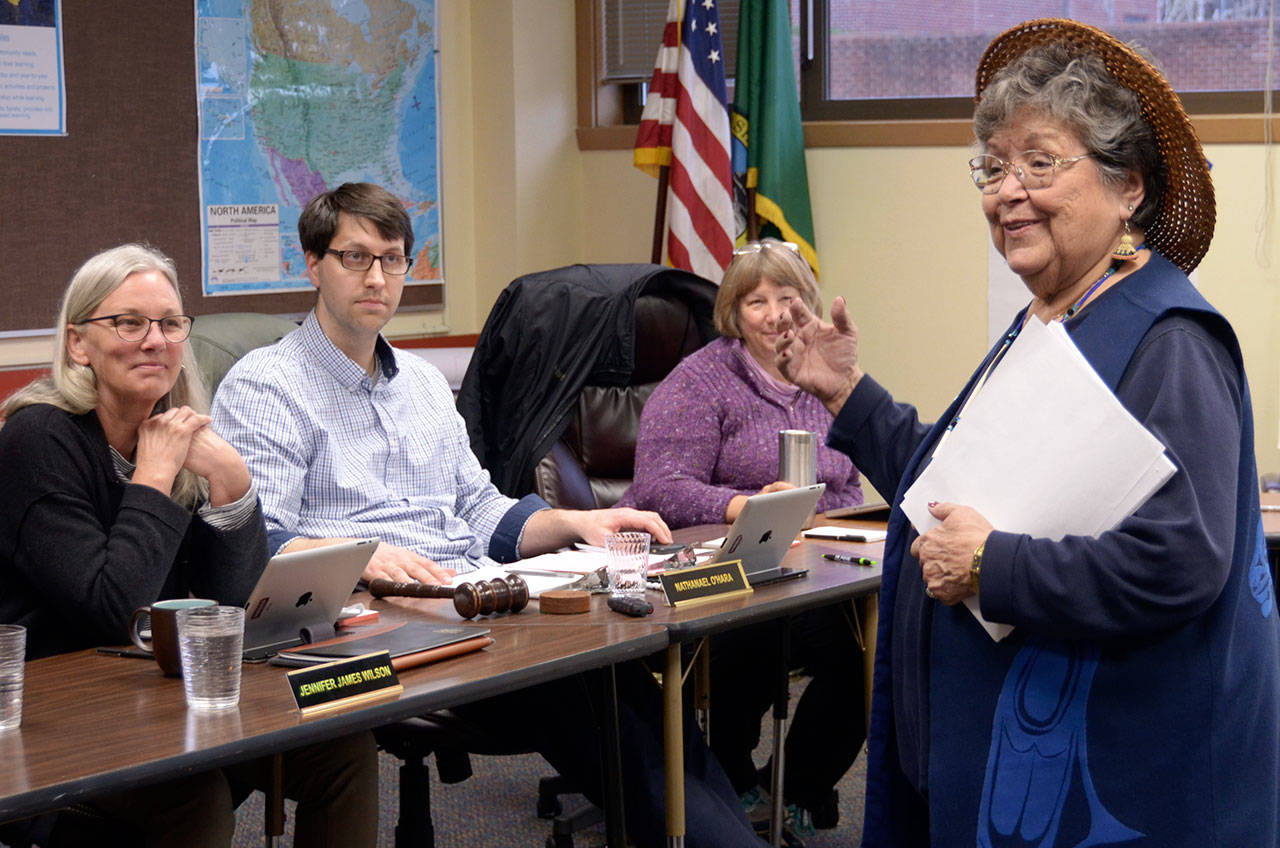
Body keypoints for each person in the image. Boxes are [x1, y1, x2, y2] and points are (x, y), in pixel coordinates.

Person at [774, 19, 1280, 847]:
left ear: (1130, 189)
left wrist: (991, 564)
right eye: (994, 167)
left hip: (1127, 784)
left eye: (1041, 163)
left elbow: (1181, 558)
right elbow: (958, 484)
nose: (1006, 191)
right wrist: (846, 393)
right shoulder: (1057, 318)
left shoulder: (1169, 341)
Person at [210, 182, 766, 848]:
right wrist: (358, 556)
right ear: (312, 264)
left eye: (392, 259)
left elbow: (479, 509)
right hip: (377, 623)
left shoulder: (418, 382)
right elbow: (262, 543)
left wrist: (578, 525)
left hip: (474, 599)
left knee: (634, 685)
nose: (377, 276)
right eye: (355, 258)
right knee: (591, 704)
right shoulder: (266, 383)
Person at [0, 244, 378, 847]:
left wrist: (233, 487)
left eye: (171, 323)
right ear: (78, 344)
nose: (156, 340)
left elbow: (237, 607)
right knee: (195, 799)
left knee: (344, 751)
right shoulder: (36, 438)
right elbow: (110, 608)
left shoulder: (175, 428)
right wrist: (151, 481)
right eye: (129, 323)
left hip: (159, 692)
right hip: (59, 714)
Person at [619, 238, 866, 833]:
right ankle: (727, 778)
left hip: (813, 566)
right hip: (710, 567)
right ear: (733, 312)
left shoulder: (823, 377)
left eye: (788, 297)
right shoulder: (700, 382)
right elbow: (659, 488)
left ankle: (793, 787)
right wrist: (745, 506)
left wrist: (827, 525)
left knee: (868, 653)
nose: (777, 314)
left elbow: (847, 484)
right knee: (751, 630)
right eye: (757, 301)